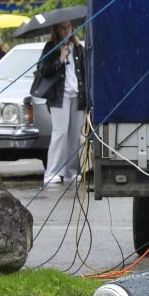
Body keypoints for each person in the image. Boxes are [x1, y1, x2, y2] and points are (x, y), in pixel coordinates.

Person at [33, 21, 88, 185]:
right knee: (60, 132)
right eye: (62, 27)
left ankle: (71, 171)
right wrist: (60, 59)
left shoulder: (78, 48)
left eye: (69, 27)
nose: (66, 30)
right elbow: (43, 69)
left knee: (75, 135)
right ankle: (52, 172)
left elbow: (85, 72)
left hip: (77, 95)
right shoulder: (51, 47)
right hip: (59, 96)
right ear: (56, 29)